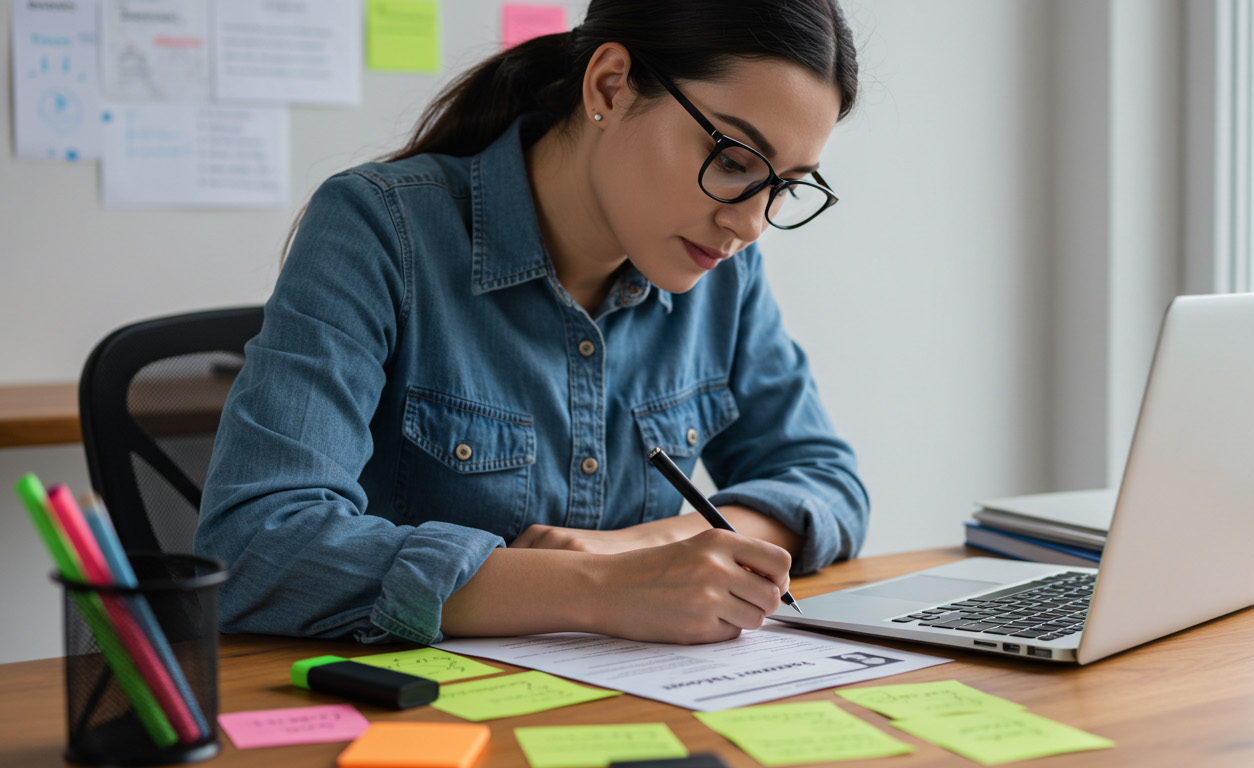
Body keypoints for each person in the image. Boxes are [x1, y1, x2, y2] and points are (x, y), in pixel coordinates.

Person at [196, 0, 868, 647]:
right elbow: (257, 544)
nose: (749, 226)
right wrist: (595, 585)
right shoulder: (379, 230)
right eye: (732, 161)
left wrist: (648, 545)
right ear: (609, 86)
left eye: (784, 187)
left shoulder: (724, 275)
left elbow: (826, 481)